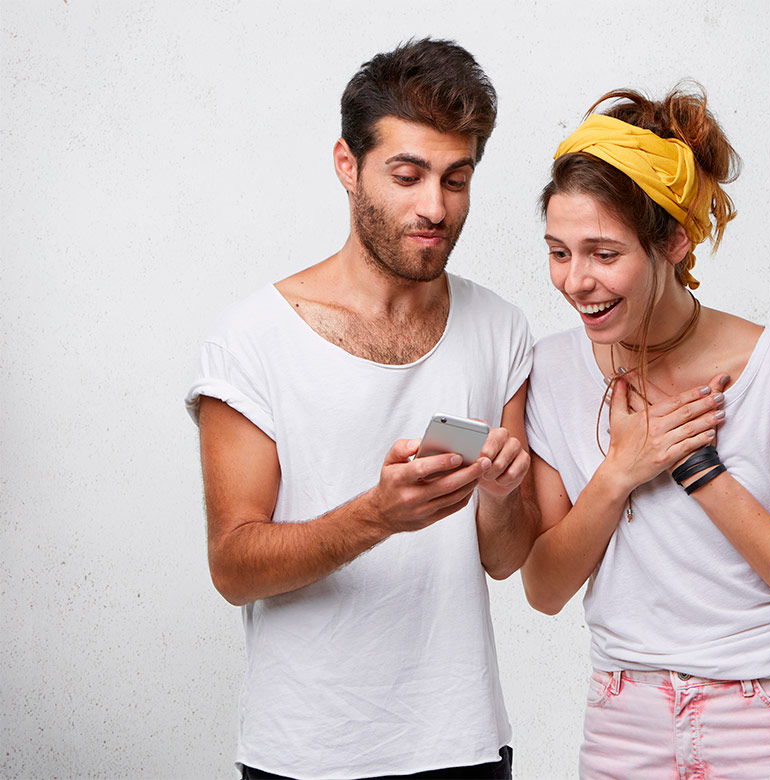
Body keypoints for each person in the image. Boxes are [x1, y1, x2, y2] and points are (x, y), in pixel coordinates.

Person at [185, 39, 536, 780]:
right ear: (348, 165)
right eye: (407, 176)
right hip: (307, 752)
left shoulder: (502, 329)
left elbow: (504, 559)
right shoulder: (253, 338)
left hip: (464, 742)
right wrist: (377, 514)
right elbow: (234, 567)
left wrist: (505, 495)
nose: (434, 207)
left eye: (457, 179)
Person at [522, 85, 770, 779]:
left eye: (603, 254)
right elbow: (545, 588)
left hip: (769, 721)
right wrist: (621, 470)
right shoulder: (551, 371)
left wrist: (697, 467)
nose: (575, 281)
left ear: (674, 241)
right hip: (623, 720)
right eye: (559, 252)